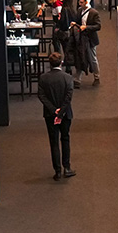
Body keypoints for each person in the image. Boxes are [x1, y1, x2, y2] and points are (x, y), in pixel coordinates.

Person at [37, 52, 75, 180]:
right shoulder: (68, 78)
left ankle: (57, 171)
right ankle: (67, 168)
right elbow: (68, 97)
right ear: (61, 63)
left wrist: (54, 111)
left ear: (50, 63)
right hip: (65, 115)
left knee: (53, 142)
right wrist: (61, 112)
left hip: (50, 115)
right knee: (65, 138)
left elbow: (41, 96)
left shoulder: (43, 78)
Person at [70, 0, 101, 88]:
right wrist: (75, 24)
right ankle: (77, 79)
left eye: (81, 2)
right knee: (80, 57)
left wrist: (86, 27)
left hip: (90, 39)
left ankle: (97, 77)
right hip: (81, 38)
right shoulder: (80, 10)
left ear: (86, 2)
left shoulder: (94, 13)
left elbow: (98, 26)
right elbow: (77, 21)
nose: (79, 4)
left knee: (93, 58)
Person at [53, 0, 77, 72]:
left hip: (64, 32)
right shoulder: (73, 10)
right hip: (71, 32)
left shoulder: (65, 9)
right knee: (68, 49)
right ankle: (68, 67)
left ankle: (61, 63)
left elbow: (62, 21)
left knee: (63, 48)